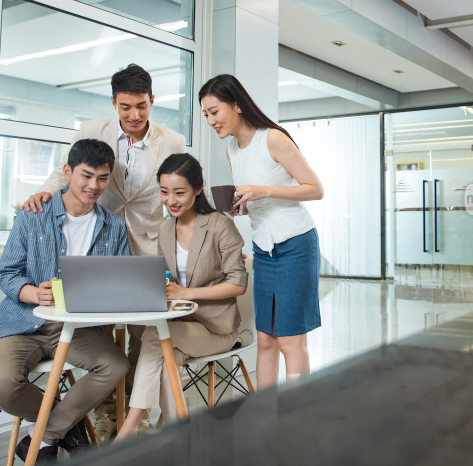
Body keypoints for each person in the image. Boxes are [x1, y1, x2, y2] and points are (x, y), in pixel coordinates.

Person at [22, 63, 187, 439]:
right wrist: (43, 192)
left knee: (142, 332)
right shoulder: (91, 131)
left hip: (146, 244)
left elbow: (182, 187)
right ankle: (104, 412)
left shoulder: (172, 141)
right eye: (125, 107)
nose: (134, 115)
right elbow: (66, 171)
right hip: (98, 242)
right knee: (99, 334)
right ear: (114, 103)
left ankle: (135, 411)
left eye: (141, 106)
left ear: (152, 101)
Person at [0, 139, 130, 464]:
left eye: (103, 178)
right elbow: (6, 273)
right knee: (1, 384)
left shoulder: (114, 226)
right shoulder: (33, 215)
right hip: (23, 323)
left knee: (116, 364)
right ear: (67, 172)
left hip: (78, 328)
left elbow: (120, 281)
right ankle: (68, 426)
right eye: (86, 176)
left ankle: (46, 435)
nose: (94, 186)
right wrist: (33, 293)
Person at [198, 74, 323, 389]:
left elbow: (315, 189)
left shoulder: (273, 138)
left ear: (236, 105)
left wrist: (263, 191)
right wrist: (242, 205)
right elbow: (255, 201)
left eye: (214, 111)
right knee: (265, 339)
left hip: (295, 244)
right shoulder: (232, 151)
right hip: (263, 250)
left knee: (290, 341)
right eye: (205, 115)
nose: (211, 120)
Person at [114, 153, 247, 441]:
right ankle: (177, 439)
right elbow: (167, 279)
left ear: (198, 189)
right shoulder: (164, 229)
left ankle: (130, 426)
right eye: (164, 192)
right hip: (182, 324)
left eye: (179, 192)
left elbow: (238, 283)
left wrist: (186, 293)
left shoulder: (218, 225)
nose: (170, 200)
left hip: (217, 328)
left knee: (154, 338)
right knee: (165, 356)